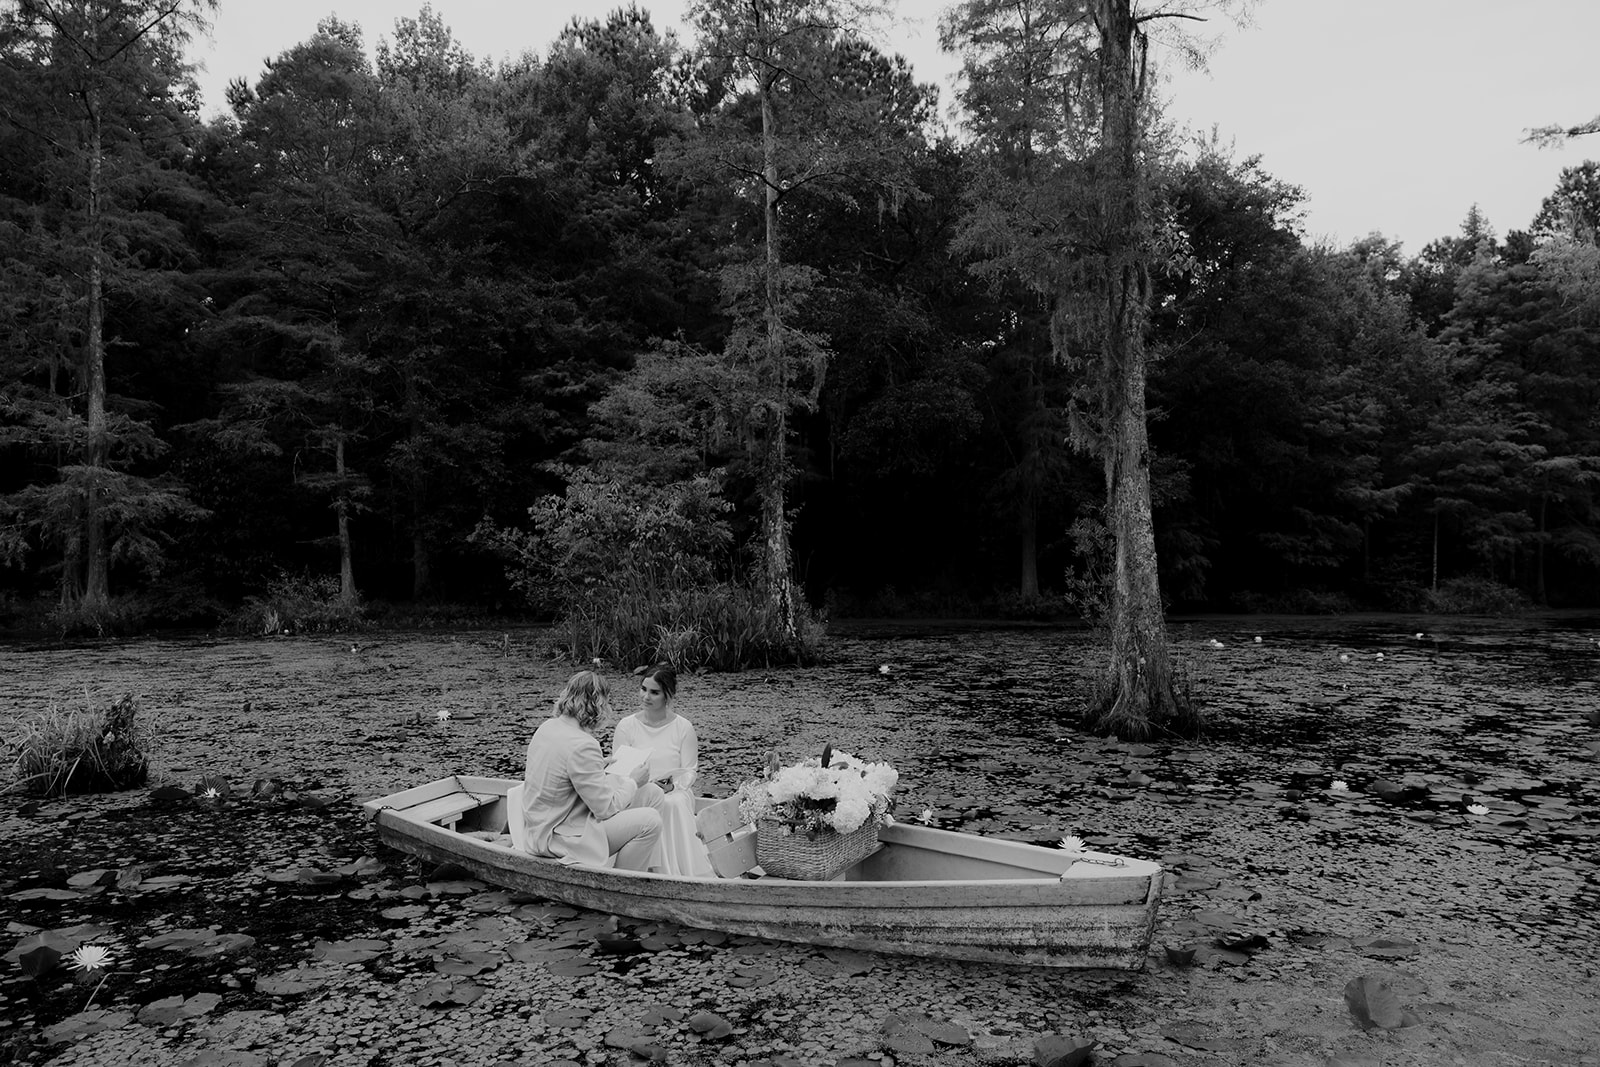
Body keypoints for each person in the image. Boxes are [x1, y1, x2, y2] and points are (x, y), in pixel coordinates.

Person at [521, 670, 666, 872]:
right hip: (558, 838)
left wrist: (598, 768)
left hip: (541, 827)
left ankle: (650, 870)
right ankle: (622, 885)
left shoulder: (547, 727)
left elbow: (565, 774)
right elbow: (605, 808)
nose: (608, 708)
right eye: (606, 703)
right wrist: (633, 782)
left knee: (653, 793)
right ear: (596, 704)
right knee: (651, 821)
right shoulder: (583, 744)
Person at [611, 664, 715, 878]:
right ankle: (643, 864)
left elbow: (689, 771)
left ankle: (673, 870)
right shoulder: (626, 726)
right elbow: (618, 771)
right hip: (637, 789)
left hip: (675, 790)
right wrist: (640, 784)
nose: (646, 696)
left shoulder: (683, 728)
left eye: (654, 692)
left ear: (668, 695)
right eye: (643, 689)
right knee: (653, 800)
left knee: (671, 803)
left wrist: (673, 785)